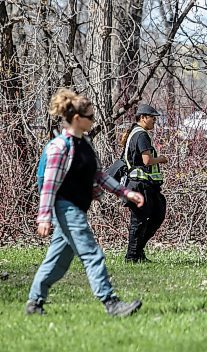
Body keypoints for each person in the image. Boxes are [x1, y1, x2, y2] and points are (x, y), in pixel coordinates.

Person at [26, 88, 145, 317]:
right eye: (90, 117)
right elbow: (49, 185)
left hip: (77, 207)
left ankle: (34, 303)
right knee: (92, 254)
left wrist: (125, 193)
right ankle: (111, 303)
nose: (93, 120)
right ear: (78, 120)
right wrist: (44, 217)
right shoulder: (59, 147)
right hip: (66, 207)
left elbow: (98, 175)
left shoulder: (85, 143)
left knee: (58, 260)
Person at [120, 103, 167, 263]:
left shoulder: (137, 133)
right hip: (139, 185)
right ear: (142, 118)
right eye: (152, 118)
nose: (154, 121)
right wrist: (162, 159)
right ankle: (132, 256)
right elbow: (147, 161)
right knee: (139, 222)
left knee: (157, 213)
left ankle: (138, 252)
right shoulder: (141, 135)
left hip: (145, 185)